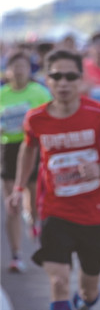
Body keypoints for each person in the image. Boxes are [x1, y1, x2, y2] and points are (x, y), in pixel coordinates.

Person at [6, 49, 100, 310]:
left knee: (88, 291)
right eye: (56, 76)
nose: (63, 83)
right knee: (59, 281)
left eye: (70, 76)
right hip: (55, 211)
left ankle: (85, 300)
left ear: (80, 79)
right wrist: (19, 187)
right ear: (46, 79)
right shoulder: (36, 118)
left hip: (96, 216)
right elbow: (28, 149)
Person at [1, 51, 51, 270]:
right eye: (15, 66)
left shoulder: (38, 92)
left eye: (23, 66)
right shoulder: (3, 94)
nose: (19, 70)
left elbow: (51, 117)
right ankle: (16, 254)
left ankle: (35, 225)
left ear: (29, 70)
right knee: (12, 203)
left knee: (35, 200)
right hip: (9, 150)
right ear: (8, 71)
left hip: (34, 148)